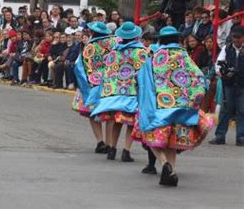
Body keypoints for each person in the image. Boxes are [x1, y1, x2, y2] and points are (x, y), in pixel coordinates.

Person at [132, 26, 213, 186]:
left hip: (159, 107)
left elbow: (140, 79)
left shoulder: (154, 58)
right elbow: (198, 78)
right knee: (172, 141)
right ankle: (172, 171)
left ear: (161, 40)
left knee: (151, 137)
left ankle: (164, 164)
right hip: (181, 108)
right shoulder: (184, 56)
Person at [91, 22, 150, 162]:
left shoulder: (114, 52)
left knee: (117, 121)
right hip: (131, 92)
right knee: (130, 122)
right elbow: (144, 72)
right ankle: (126, 151)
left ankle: (112, 148)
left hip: (115, 93)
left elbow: (108, 71)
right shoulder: (140, 52)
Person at [73, 22, 118, 154]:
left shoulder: (89, 46)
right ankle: (110, 143)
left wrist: (85, 84)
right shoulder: (113, 44)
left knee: (92, 112)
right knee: (110, 114)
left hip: (92, 83)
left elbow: (79, 67)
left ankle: (100, 141)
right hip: (110, 82)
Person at [209, 25, 244, 146]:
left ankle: (241, 137)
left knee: (242, 110)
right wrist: (223, 73)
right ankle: (220, 136)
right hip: (228, 84)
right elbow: (218, 65)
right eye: (234, 37)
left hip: (242, 85)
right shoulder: (226, 48)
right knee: (225, 110)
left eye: (238, 37)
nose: (236, 40)